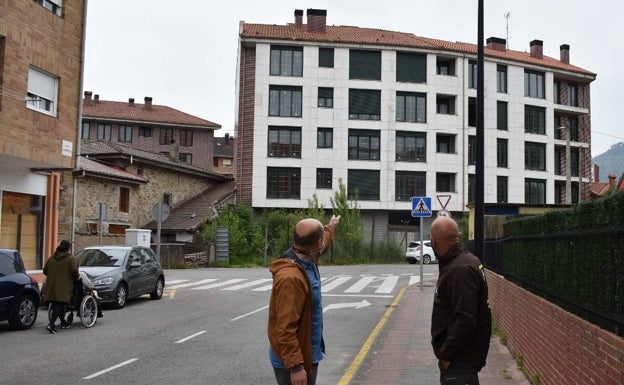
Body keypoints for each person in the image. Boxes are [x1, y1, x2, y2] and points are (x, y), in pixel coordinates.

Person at [267, 215, 341, 385]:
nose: (323, 244)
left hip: (307, 353)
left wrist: (331, 227)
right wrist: (295, 367)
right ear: (317, 243)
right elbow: (284, 328)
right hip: (293, 361)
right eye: (321, 239)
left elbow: (323, 244)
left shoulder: (307, 256)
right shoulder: (290, 278)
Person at [430, 216, 492, 385]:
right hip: (463, 359)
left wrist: (446, 355)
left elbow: (466, 319)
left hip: (460, 362)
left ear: (434, 242)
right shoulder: (467, 261)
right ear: (459, 236)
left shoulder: (459, 270)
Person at [43, 240, 79, 334]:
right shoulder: (71, 259)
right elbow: (75, 271)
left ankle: (63, 322)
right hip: (64, 286)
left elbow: (45, 271)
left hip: (51, 285)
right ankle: (51, 324)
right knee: (60, 304)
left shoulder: (51, 258)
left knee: (57, 305)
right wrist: (76, 278)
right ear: (68, 248)